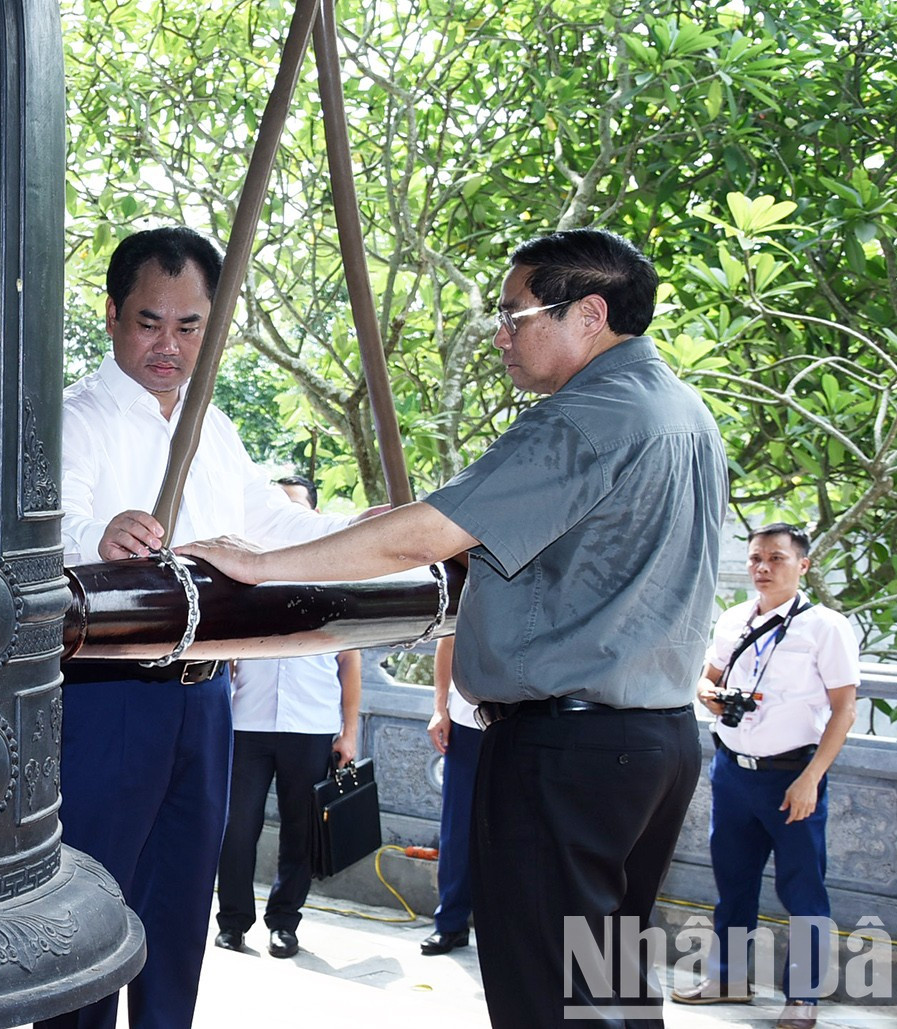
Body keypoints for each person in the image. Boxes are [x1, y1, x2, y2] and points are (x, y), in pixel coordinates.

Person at [182, 228, 728, 1029]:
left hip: (567, 754)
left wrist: (263, 563)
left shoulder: (584, 418)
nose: (502, 334)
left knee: (544, 995)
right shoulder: (681, 410)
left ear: (589, 313)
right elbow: (570, 559)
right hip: (655, 742)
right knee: (607, 987)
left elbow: (424, 536)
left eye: (516, 314)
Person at [39, 226, 348, 1029]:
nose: (169, 346)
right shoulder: (72, 418)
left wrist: (374, 530)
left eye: (189, 327)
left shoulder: (212, 428)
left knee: (179, 916)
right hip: (109, 699)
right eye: (149, 322)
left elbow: (270, 525)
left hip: (208, 696)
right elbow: (44, 526)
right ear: (110, 315)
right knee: (91, 911)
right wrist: (97, 540)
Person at [671, 523, 858, 1029]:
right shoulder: (733, 619)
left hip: (793, 776)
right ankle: (727, 978)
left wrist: (812, 778)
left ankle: (803, 998)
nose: (763, 568)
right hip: (733, 771)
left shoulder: (827, 627)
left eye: (776, 558)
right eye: (756, 558)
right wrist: (707, 695)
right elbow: (707, 677)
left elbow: (844, 710)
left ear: (803, 565)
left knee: (802, 890)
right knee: (733, 884)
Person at [213, 648, 360, 958]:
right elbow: (226, 653)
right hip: (248, 719)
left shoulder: (334, 596)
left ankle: (284, 922)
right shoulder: (246, 596)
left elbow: (349, 658)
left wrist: (349, 732)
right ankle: (233, 922)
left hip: (311, 723)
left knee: (301, 830)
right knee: (236, 827)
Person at [422, 633, 480, 956]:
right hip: (466, 720)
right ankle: (451, 924)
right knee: (457, 830)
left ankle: (504, 930)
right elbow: (447, 642)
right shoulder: (470, 582)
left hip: (518, 722)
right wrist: (439, 708)